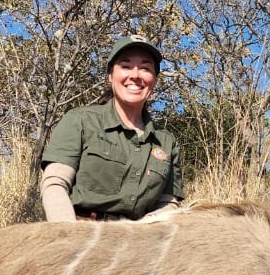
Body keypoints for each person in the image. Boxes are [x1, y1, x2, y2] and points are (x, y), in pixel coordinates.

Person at [39, 35, 184, 222]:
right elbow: (54, 184)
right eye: (125, 66)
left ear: (154, 80)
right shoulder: (80, 120)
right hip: (80, 232)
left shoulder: (166, 141)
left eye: (145, 68)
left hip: (138, 240)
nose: (135, 75)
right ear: (110, 75)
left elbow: (168, 204)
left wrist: (140, 232)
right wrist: (67, 235)